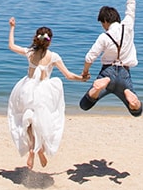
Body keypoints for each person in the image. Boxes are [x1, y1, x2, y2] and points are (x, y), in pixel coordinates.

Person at [6, 17, 85, 170]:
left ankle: (31, 149)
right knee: (42, 120)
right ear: (49, 41)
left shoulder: (29, 53)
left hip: (27, 90)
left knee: (27, 119)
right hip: (44, 93)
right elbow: (68, 75)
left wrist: (12, 27)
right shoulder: (53, 57)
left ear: (36, 39)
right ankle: (40, 148)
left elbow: (11, 46)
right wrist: (82, 78)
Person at [78, 0, 143, 116]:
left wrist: (85, 72)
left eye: (102, 23)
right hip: (125, 75)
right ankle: (131, 97)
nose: (103, 26)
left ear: (106, 21)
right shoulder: (128, 25)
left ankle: (96, 91)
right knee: (136, 112)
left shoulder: (104, 37)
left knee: (84, 105)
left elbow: (89, 57)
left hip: (107, 73)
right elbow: (131, 2)